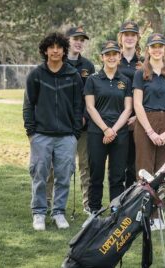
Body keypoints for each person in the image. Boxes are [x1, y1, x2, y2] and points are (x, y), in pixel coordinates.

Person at [23, 32, 83, 230]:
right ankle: (39, 212)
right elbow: (28, 105)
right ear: (45, 50)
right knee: (40, 175)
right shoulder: (36, 75)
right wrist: (31, 133)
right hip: (41, 135)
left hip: (66, 136)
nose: (55, 50)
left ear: (64, 50)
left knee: (63, 176)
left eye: (59, 47)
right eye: (51, 47)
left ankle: (58, 212)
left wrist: (75, 133)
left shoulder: (73, 75)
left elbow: (78, 106)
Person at [133, 33, 165, 229]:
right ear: (148, 49)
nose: (157, 49)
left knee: (164, 172)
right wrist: (151, 132)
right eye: (153, 46)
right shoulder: (140, 73)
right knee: (145, 170)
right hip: (146, 122)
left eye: (160, 46)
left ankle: (158, 213)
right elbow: (137, 103)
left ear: (164, 49)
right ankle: (145, 214)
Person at [84, 41, 133, 216]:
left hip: (120, 133)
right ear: (102, 57)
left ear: (119, 56)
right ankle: (94, 211)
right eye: (107, 54)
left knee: (117, 175)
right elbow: (90, 107)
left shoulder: (125, 81)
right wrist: (106, 129)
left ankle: (115, 210)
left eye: (114, 54)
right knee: (96, 173)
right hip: (97, 132)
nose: (111, 57)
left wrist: (113, 130)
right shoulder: (93, 79)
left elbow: (128, 108)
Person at [65, 26, 95, 213]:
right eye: (75, 38)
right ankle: (53, 205)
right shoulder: (58, 61)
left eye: (82, 40)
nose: (79, 42)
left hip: (83, 125)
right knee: (60, 166)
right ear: (66, 40)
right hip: (62, 125)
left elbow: (90, 95)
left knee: (85, 165)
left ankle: (88, 205)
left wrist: (84, 117)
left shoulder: (88, 66)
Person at [117, 20, 143, 188]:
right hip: (116, 118)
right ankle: (118, 203)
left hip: (137, 120)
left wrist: (137, 117)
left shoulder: (143, 62)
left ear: (137, 38)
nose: (129, 38)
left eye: (133, 35)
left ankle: (131, 202)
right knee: (118, 165)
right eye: (126, 35)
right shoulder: (112, 59)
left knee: (134, 164)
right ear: (121, 37)